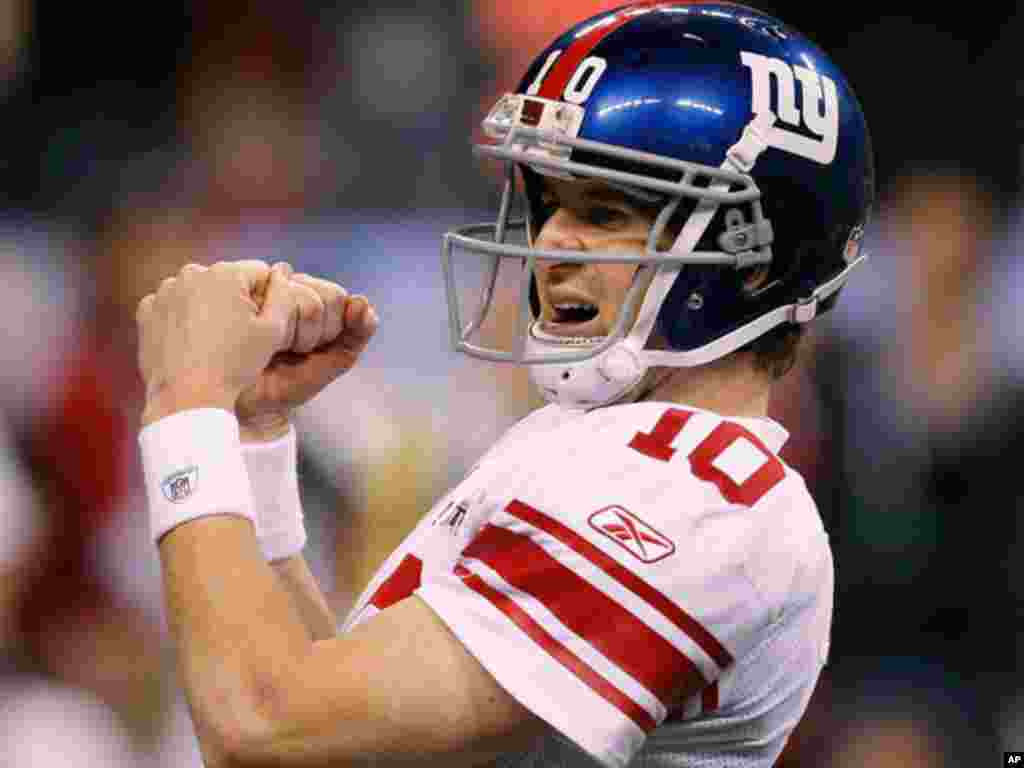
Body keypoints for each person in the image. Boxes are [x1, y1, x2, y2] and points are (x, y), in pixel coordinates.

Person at [134, 3, 873, 767]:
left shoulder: (700, 499)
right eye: (552, 203)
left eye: (607, 210)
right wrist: (252, 434)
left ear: (753, 262)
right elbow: (343, 746)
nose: (551, 240)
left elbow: (265, 725)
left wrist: (183, 402)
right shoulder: (596, 442)